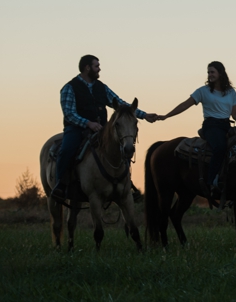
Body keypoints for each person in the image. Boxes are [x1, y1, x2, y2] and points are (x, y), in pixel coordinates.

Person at [51, 55, 159, 204]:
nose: (99, 68)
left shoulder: (101, 87)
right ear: (87, 68)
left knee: (122, 148)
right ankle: (61, 186)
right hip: (76, 129)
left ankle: (127, 184)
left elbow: (121, 104)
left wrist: (143, 115)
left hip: (101, 129)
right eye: (96, 66)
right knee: (67, 150)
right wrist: (88, 123)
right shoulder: (70, 87)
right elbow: (69, 114)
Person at [159, 61, 236, 194]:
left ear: (220, 73)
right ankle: (211, 182)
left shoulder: (231, 93)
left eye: (212, 72)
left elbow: (234, 113)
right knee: (220, 147)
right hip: (211, 126)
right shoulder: (203, 91)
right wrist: (166, 116)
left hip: (226, 125)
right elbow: (185, 105)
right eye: (208, 72)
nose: (209, 75)